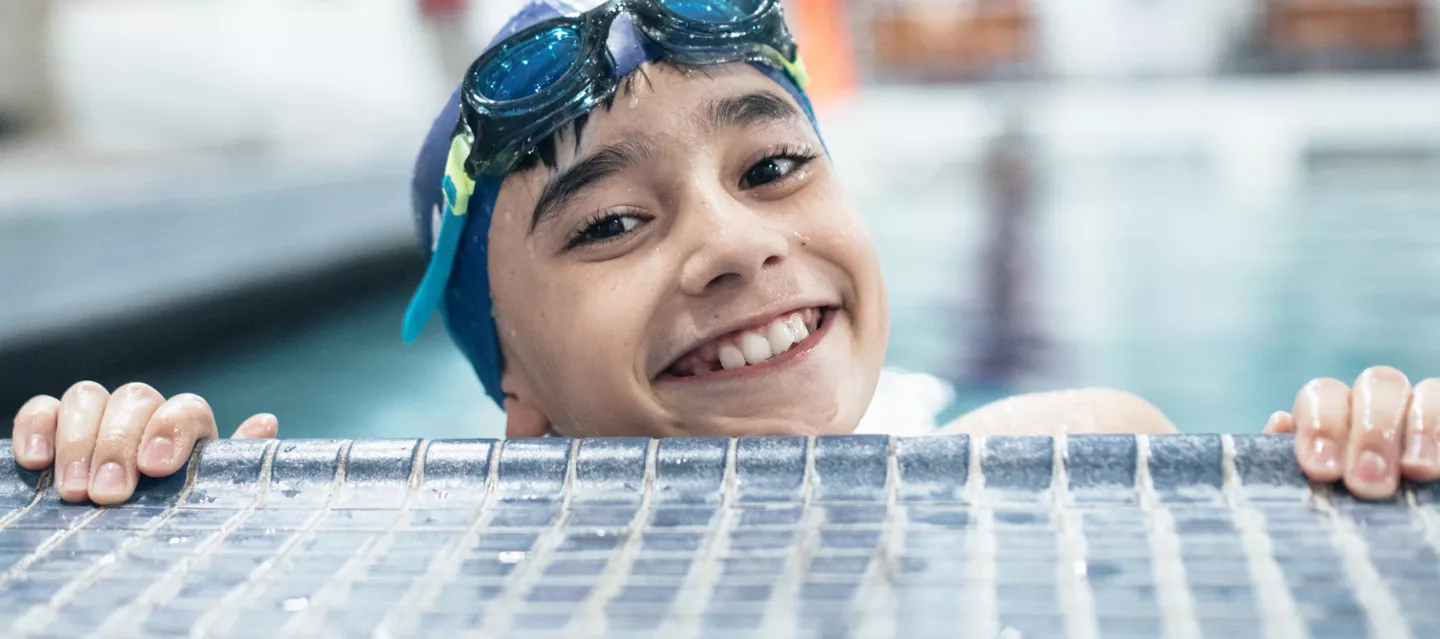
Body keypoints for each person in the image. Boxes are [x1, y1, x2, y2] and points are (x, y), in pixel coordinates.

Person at [11, 0, 1439, 507]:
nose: (734, 244)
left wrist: (1370, 453)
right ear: (521, 404)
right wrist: (138, 477)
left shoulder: (1078, 445)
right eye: (614, 223)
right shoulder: (480, 554)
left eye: (773, 167)